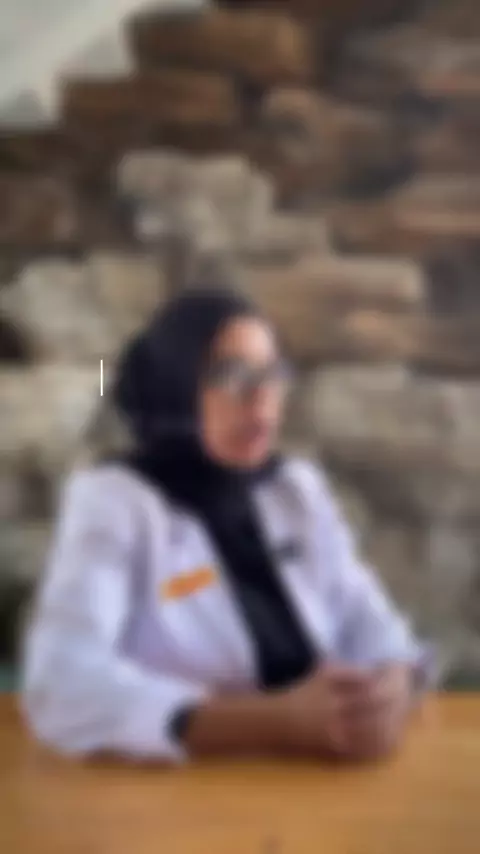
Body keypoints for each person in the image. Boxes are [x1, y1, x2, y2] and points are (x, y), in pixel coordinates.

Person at [21, 288, 435, 765]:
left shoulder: (296, 489)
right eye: (231, 375)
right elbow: (60, 684)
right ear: (175, 387)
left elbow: (372, 625)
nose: (261, 398)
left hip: (319, 779)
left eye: (272, 374)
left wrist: (394, 684)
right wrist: (275, 722)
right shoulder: (113, 499)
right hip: (185, 790)